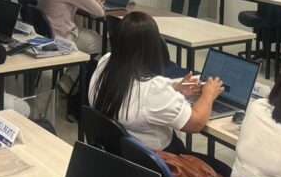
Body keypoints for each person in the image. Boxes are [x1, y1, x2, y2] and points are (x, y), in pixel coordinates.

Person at [89, 12, 227, 162]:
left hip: (122, 158)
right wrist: (209, 93)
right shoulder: (153, 89)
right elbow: (197, 123)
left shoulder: (105, 63)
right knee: (222, 169)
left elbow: (140, 96)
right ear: (154, 47)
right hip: (159, 161)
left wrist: (176, 88)